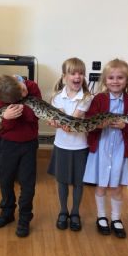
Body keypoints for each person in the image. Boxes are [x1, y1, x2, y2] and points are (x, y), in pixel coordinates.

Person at [83, 59, 128, 238]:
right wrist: (100, 124)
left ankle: (116, 218)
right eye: (111, 77)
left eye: (120, 77)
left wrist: (125, 126)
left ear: (127, 80)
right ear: (105, 80)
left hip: (119, 151)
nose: (115, 81)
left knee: (117, 187)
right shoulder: (99, 99)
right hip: (101, 149)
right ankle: (101, 217)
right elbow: (89, 122)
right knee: (101, 185)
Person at [0, 74, 42, 237]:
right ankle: (7, 212)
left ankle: (25, 217)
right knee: (5, 180)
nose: (25, 94)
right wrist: (6, 118)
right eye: (20, 96)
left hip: (29, 144)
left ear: (17, 81)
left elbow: (35, 116)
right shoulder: (2, 95)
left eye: (22, 90)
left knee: (27, 183)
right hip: (8, 144)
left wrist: (21, 110)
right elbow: (4, 126)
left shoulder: (32, 87)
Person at [47, 58, 92, 231]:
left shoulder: (87, 98)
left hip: (80, 147)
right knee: (62, 181)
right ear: (64, 76)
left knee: (79, 183)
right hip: (61, 146)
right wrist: (57, 122)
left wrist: (60, 122)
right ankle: (63, 211)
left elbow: (72, 120)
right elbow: (61, 121)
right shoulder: (57, 97)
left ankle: (75, 212)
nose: (77, 77)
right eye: (73, 73)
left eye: (81, 73)